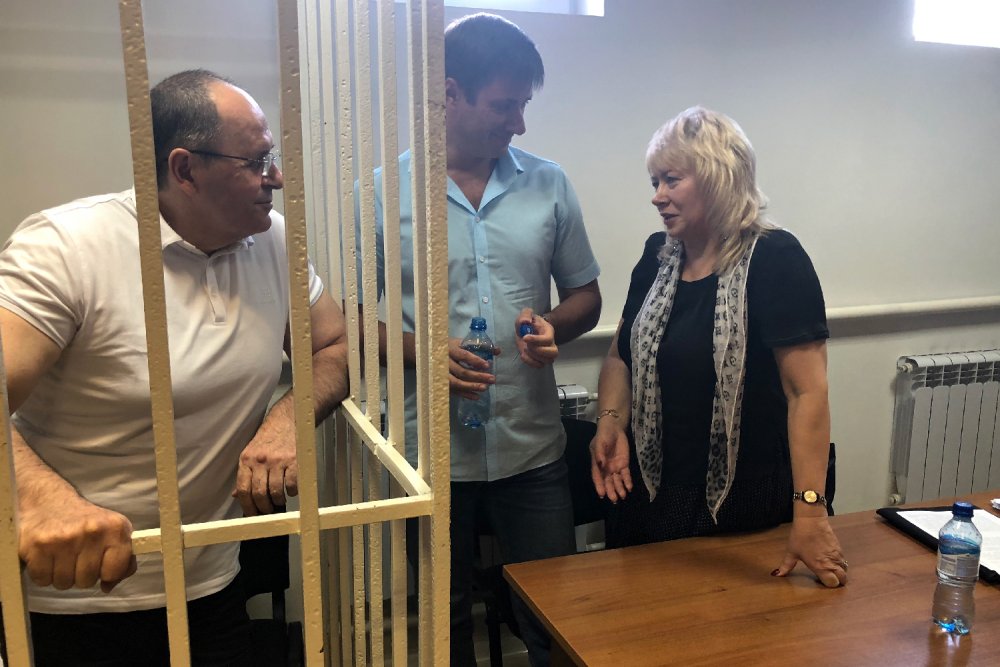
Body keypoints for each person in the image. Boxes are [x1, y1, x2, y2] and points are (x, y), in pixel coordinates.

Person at [0, 69, 349, 665]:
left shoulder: (271, 240)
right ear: (184, 169)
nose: (276, 178)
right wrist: (36, 499)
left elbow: (334, 345)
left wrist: (288, 418)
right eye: (256, 162)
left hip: (209, 581)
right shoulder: (67, 247)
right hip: (73, 597)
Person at [364, 13, 601, 666]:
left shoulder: (548, 183)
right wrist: (420, 350)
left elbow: (586, 296)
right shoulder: (384, 193)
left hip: (533, 449)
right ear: (449, 93)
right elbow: (344, 319)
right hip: (429, 455)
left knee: (555, 622)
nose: (518, 123)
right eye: (504, 105)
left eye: (524, 105)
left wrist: (556, 325)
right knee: (443, 629)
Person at [589, 106, 847, 588]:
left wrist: (811, 514)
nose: (657, 196)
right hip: (648, 499)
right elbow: (621, 356)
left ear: (717, 177)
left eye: (671, 180)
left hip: (746, 508)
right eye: (654, 182)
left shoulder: (776, 258)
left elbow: (807, 393)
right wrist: (610, 421)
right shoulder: (656, 257)